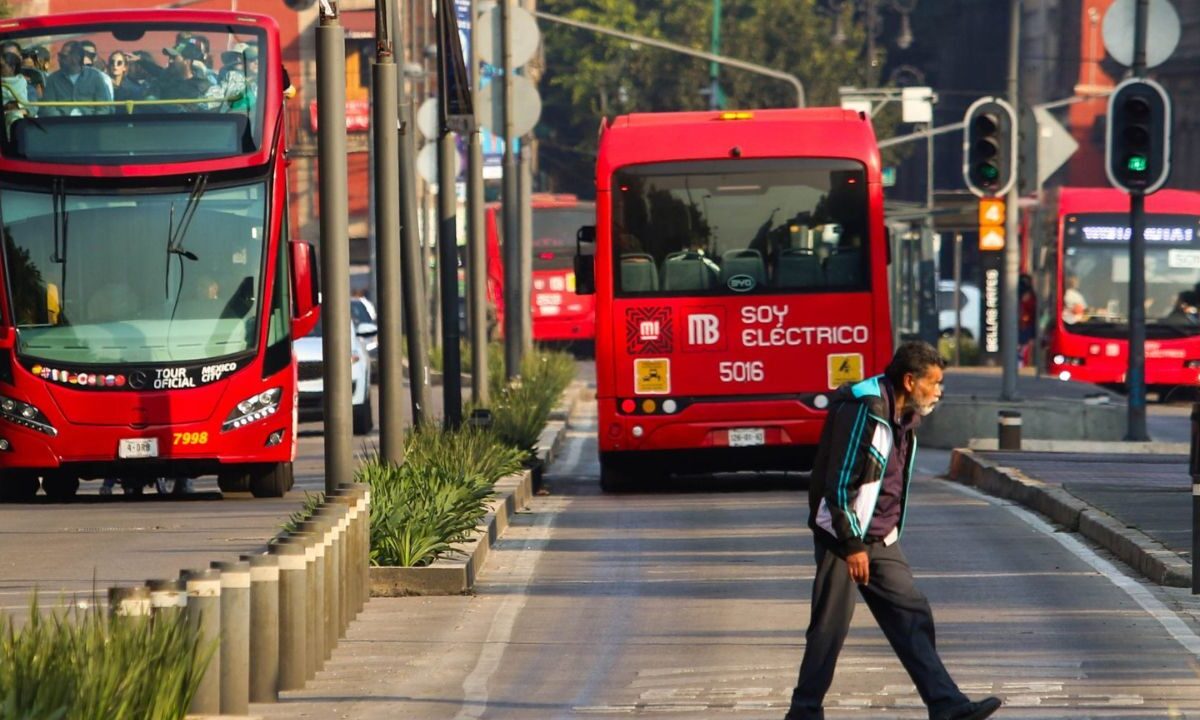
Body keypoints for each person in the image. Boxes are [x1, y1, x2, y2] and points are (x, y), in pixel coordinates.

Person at [783, 341, 1002, 720]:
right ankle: (804, 712)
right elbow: (838, 484)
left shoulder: (905, 417)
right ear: (908, 380)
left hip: (880, 535)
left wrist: (879, 536)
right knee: (830, 628)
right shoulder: (865, 410)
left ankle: (945, 704)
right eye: (933, 383)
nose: (938, 391)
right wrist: (851, 545)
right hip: (842, 536)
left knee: (913, 614)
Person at [41, 40, 113, 116]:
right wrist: (62, 122)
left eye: (63, 56)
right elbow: (48, 108)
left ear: (76, 58)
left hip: (91, 124)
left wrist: (93, 123)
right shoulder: (53, 79)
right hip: (62, 125)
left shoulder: (95, 77)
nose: (59, 59)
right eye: (59, 55)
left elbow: (104, 107)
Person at [106, 50, 145, 114]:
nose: (115, 65)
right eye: (112, 62)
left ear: (125, 67)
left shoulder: (133, 88)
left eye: (119, 63)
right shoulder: (103, 84)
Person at [1018, 274, 1036, 365]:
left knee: (1023, 343)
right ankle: (1022, 360)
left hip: (1026, 324)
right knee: (1023, 342)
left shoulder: (1028, 296)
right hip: (1025, 324)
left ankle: (1022, 360)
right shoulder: (1030, 296)